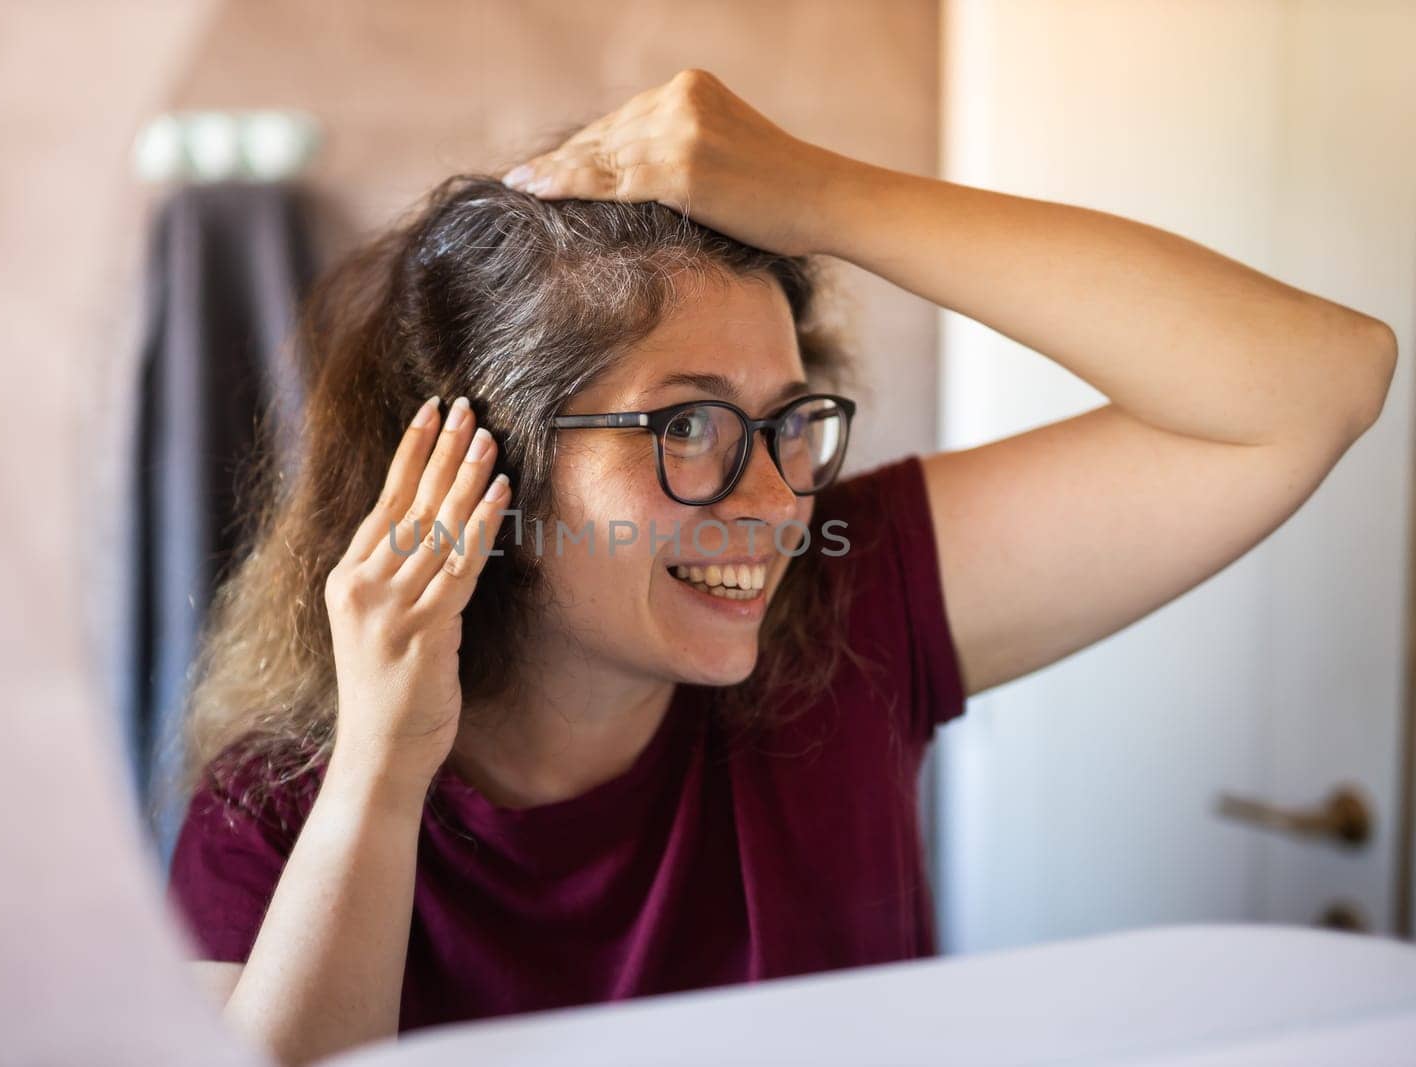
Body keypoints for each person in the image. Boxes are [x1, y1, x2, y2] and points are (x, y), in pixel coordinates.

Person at [164, 69, 1396, 1064]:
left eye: (790, 421)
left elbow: (1314, 384)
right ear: (486, 471)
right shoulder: (276, 813)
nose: (773, 505)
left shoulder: (853, 612)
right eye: (687, 426)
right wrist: (382, 774)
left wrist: (821, 194)